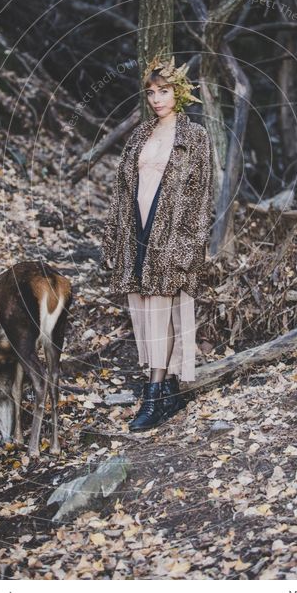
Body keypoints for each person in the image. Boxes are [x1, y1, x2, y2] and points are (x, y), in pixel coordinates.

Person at [101, 55, 213, 431]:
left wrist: (190, 246)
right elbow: (121, 190)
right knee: (145, 310)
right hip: (138, 230)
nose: (156, 99)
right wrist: (115, 238)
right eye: (151, 93)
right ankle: (165, 390)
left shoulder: (194, 136)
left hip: (172, 237)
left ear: (178, 93)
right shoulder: (140, 134)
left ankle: (153, 397)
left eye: (163, 91)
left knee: (162, 309)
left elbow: (202, 196)